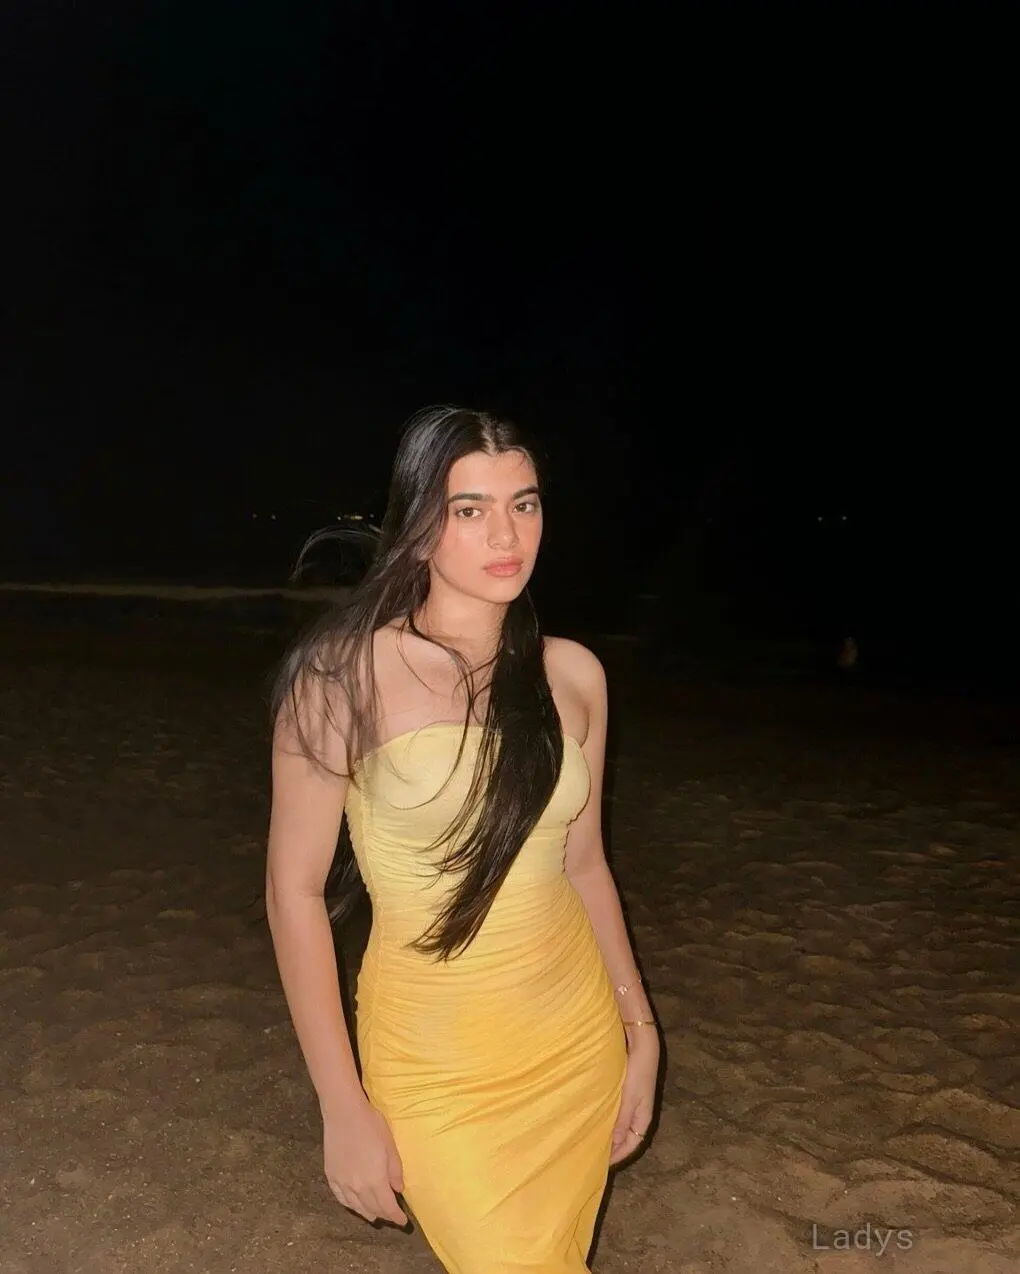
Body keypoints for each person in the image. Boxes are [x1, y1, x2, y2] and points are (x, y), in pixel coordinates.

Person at [265, 406, 660, 1272]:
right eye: (469, 509)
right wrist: (342, 1105)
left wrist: (641, 1032)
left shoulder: (573, 675)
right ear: (418, 524)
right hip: (434, 1063)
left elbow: (585, 866)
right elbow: (292, 894)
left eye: (524, 504)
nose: (506, 535)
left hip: (575, 1040)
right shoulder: (341, 679)